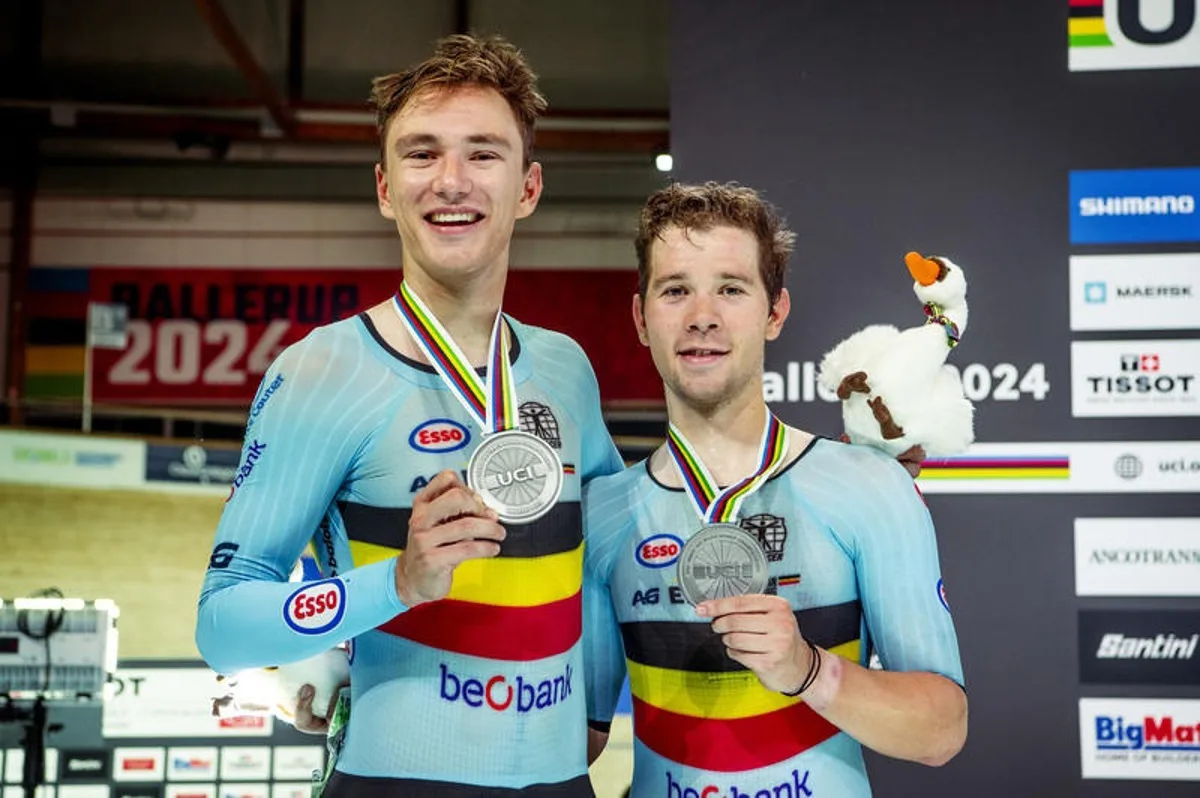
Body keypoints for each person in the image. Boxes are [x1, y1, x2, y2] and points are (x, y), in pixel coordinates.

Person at [195, 34, 624, 797]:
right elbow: (223, 623)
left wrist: (593, 710)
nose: (451, 181)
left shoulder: (566, 368)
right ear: (386, 188)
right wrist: (396, 581)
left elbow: (606, 555)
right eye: (422, 154)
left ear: (528, 188)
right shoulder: (321, 373)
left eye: (483, 154)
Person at [582, 182, 967, 797]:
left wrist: (807, 669)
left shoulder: (870, 488)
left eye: (731, 289)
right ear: (640, 318)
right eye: (675, 289)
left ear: (775, 312)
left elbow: (941, 729)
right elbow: (583, 736)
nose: (701, 315)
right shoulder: (603, 513)